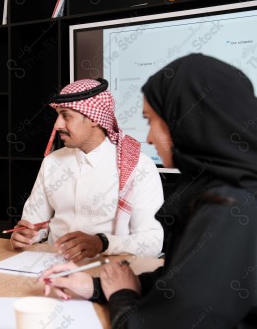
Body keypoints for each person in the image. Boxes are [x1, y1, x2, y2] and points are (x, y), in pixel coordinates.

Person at [40, 54, 257, 328]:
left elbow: (167, 321)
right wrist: (93, 287)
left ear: (189, 121)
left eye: (153, 121)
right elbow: (180, 285)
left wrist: (121, 295)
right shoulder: (222, 192)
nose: (150, 137)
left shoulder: (231, 206)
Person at [10, 78, 164, 262]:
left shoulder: (139, 167)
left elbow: (152, 242)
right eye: (58, 115)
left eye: (66, 116)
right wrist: (25, 235)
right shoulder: (52, 162)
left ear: (93, 118)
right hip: (50, 265)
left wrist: (102, 243)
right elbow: (34, 224)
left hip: (107, 271)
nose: (57, 125)